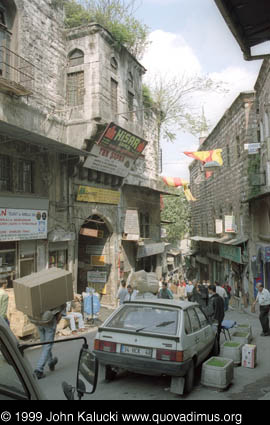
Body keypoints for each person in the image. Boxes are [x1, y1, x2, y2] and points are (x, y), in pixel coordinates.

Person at [34, 304, 65, 379]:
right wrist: (56, 320)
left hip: (38, 319)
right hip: (49, 320)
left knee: (45, 344)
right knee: (47, 346)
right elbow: (60, 313)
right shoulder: (58, 294)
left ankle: (51, 362)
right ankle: (39, 370)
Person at [207, 285, 225, 353]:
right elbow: (223, 310)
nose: (208, 291)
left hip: (214, 320)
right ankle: (217, 351)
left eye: (208, 290)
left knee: (214, 338)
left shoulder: (212, 299)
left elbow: (209, 311)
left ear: (211, 290)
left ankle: (215, 352)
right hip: (219, 320)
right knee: (218, 337)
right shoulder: (220, 298)